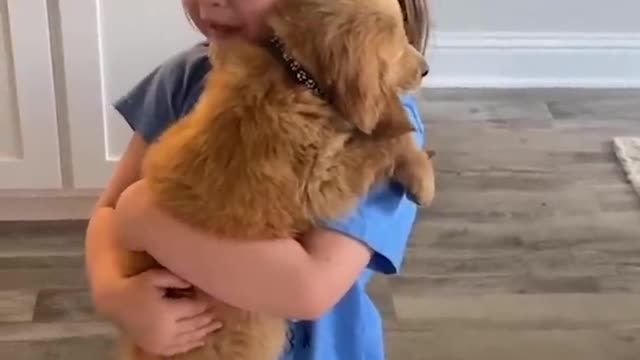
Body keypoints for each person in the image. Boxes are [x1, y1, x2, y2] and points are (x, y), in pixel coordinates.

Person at [85, 0, 430, 359]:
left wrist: (143, 214)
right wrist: (113, 293)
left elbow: (308, 289)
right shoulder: (184, 78)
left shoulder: (384, 125)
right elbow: (107, 211)